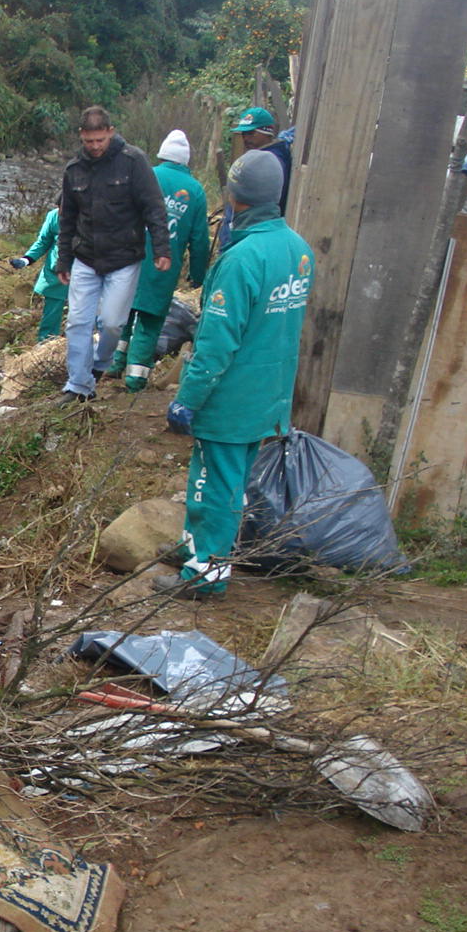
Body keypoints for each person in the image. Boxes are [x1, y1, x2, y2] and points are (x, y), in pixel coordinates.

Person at [156, 150, 314, 600]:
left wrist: (188, 398)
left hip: (230, 398)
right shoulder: (298, 251)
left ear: (234, 197)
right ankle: (196, 552)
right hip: (269, 396)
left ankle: (203, 579)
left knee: (213, 487)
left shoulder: (240, 260)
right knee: (229, 482)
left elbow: (215, 343)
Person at [56, 107, 171, 403]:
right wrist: (63, 259)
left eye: (100, 140)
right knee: (78, 322)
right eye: (89, 141)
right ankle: (78, 384)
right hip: (85, 256)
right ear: (82, 136)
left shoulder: (133, 162)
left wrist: (161, 248)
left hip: (124, 257)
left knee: (111, 323)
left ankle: (99, 364)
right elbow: (67, 218)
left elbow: (154, 206)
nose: (95, 147)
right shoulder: (74, 170)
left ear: (110, 131)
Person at [107, 131, 210, 391]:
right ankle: (135, 379)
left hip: (128, 258)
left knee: (123, 312)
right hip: (163, 267)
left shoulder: (144, 174)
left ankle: (114, 363)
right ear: (186, 161)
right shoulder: (195, 191)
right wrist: (198, 275)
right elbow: (199, 240)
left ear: (162, 154)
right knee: (150, 322)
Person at [217, 107, 294, 248]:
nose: (245, 138)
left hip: (248, 241)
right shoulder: (255, 160)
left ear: (267, 132)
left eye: (251, 133)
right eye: (243, 134)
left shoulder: (272, 166)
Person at [10, 204, 67, 339]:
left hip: (82, 273)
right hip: (55, 274)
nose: (60, 212)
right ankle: (45, 347)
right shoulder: (54, 216)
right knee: (50, 320)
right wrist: (26, 259)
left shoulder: (89, 217)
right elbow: (43, 242)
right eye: (59, 207)